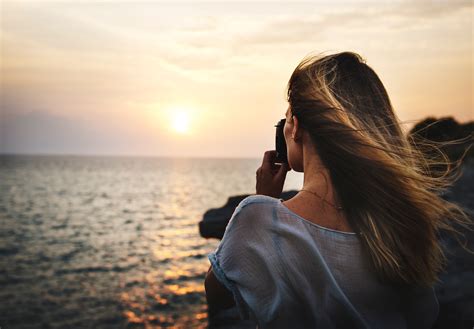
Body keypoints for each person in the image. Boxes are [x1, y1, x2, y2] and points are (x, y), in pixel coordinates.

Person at [204, 51, 470, 328]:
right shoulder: (401, 222)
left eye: (286, 119)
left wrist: (263, 198)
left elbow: (217, 294)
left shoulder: (257, 218)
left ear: (296, 128)